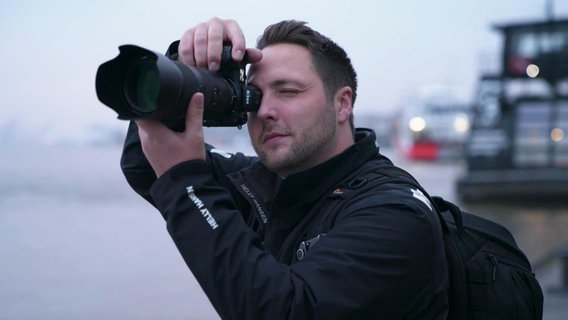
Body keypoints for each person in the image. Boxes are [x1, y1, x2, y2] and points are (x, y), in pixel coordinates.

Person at [120, 17, 449, 319]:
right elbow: (144, 164)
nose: (264, 111)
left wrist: (188, 184)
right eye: (253, 96)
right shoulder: (262, 185)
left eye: (288, 92)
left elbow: (287, 311)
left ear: (342, 104)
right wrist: (182, 67)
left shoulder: (395, 214)